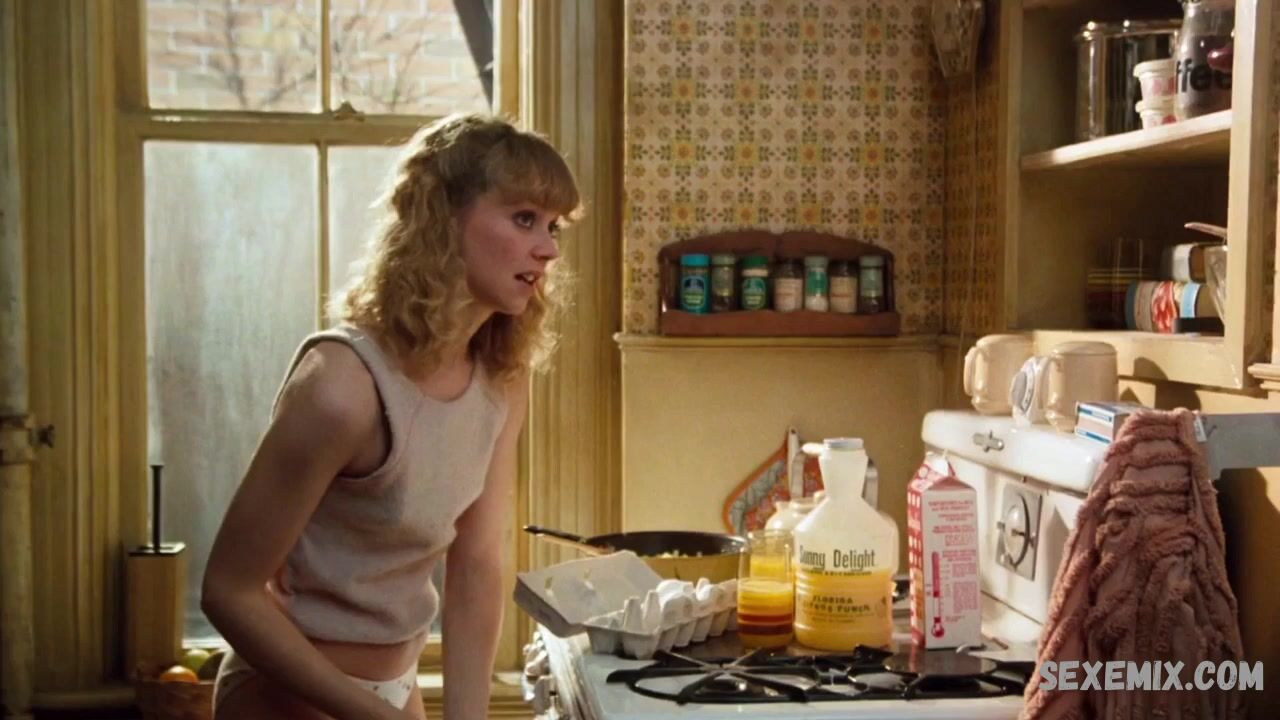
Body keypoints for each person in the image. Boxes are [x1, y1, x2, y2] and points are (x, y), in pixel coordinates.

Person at [201, 113, 580, 720]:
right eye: (524, 218)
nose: (549, 248)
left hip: (398, 692)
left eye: (554, 225)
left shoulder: (502, 379)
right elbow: (228, 591)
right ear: (444, 216)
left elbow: (477, 565)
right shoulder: (343, 384)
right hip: (287, 696)